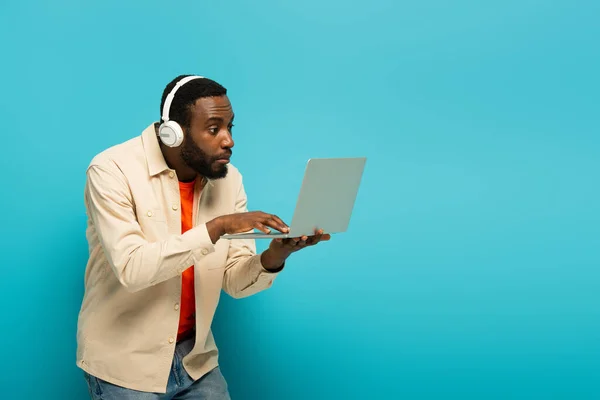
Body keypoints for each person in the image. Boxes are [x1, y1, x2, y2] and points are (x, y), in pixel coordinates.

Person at [76, 75, 330, 399]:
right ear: (174, 133)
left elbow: (233, 281)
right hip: (125, 364)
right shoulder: (111, 171)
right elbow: (132, 268)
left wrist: (275, 256)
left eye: (230, 127)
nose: (229, 141)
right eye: (214, 129)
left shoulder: (230, 180)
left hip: (195, 360)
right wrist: (218, 226)